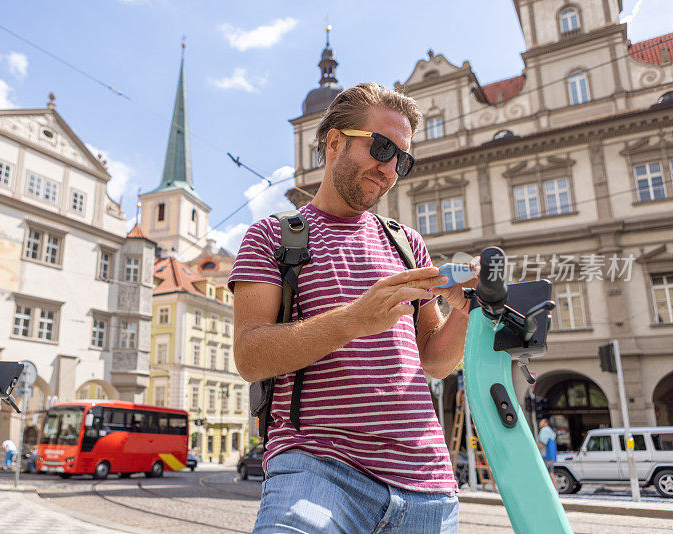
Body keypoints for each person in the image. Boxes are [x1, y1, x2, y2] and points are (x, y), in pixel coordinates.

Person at [230, 83, 480, 533]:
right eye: (381, 147)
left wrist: (465, 312)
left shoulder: (405, 243)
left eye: (402, 160)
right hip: (317, 471)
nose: (389, 168)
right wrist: (353, 320)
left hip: (427, 484)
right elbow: (250, 356)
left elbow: (436, 362)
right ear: (333, 141)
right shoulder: (272, 236)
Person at [538, 419, 558, 490]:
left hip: (545, 455)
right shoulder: (550, 431)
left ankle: (546, 490)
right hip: (552, 456)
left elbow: (543, 443)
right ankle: (555, 490)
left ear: (546, 423)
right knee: (551, 473)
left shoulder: (544, 430)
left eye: (541, 422)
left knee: (544, 474)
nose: (540, 423)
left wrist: (533, 447)